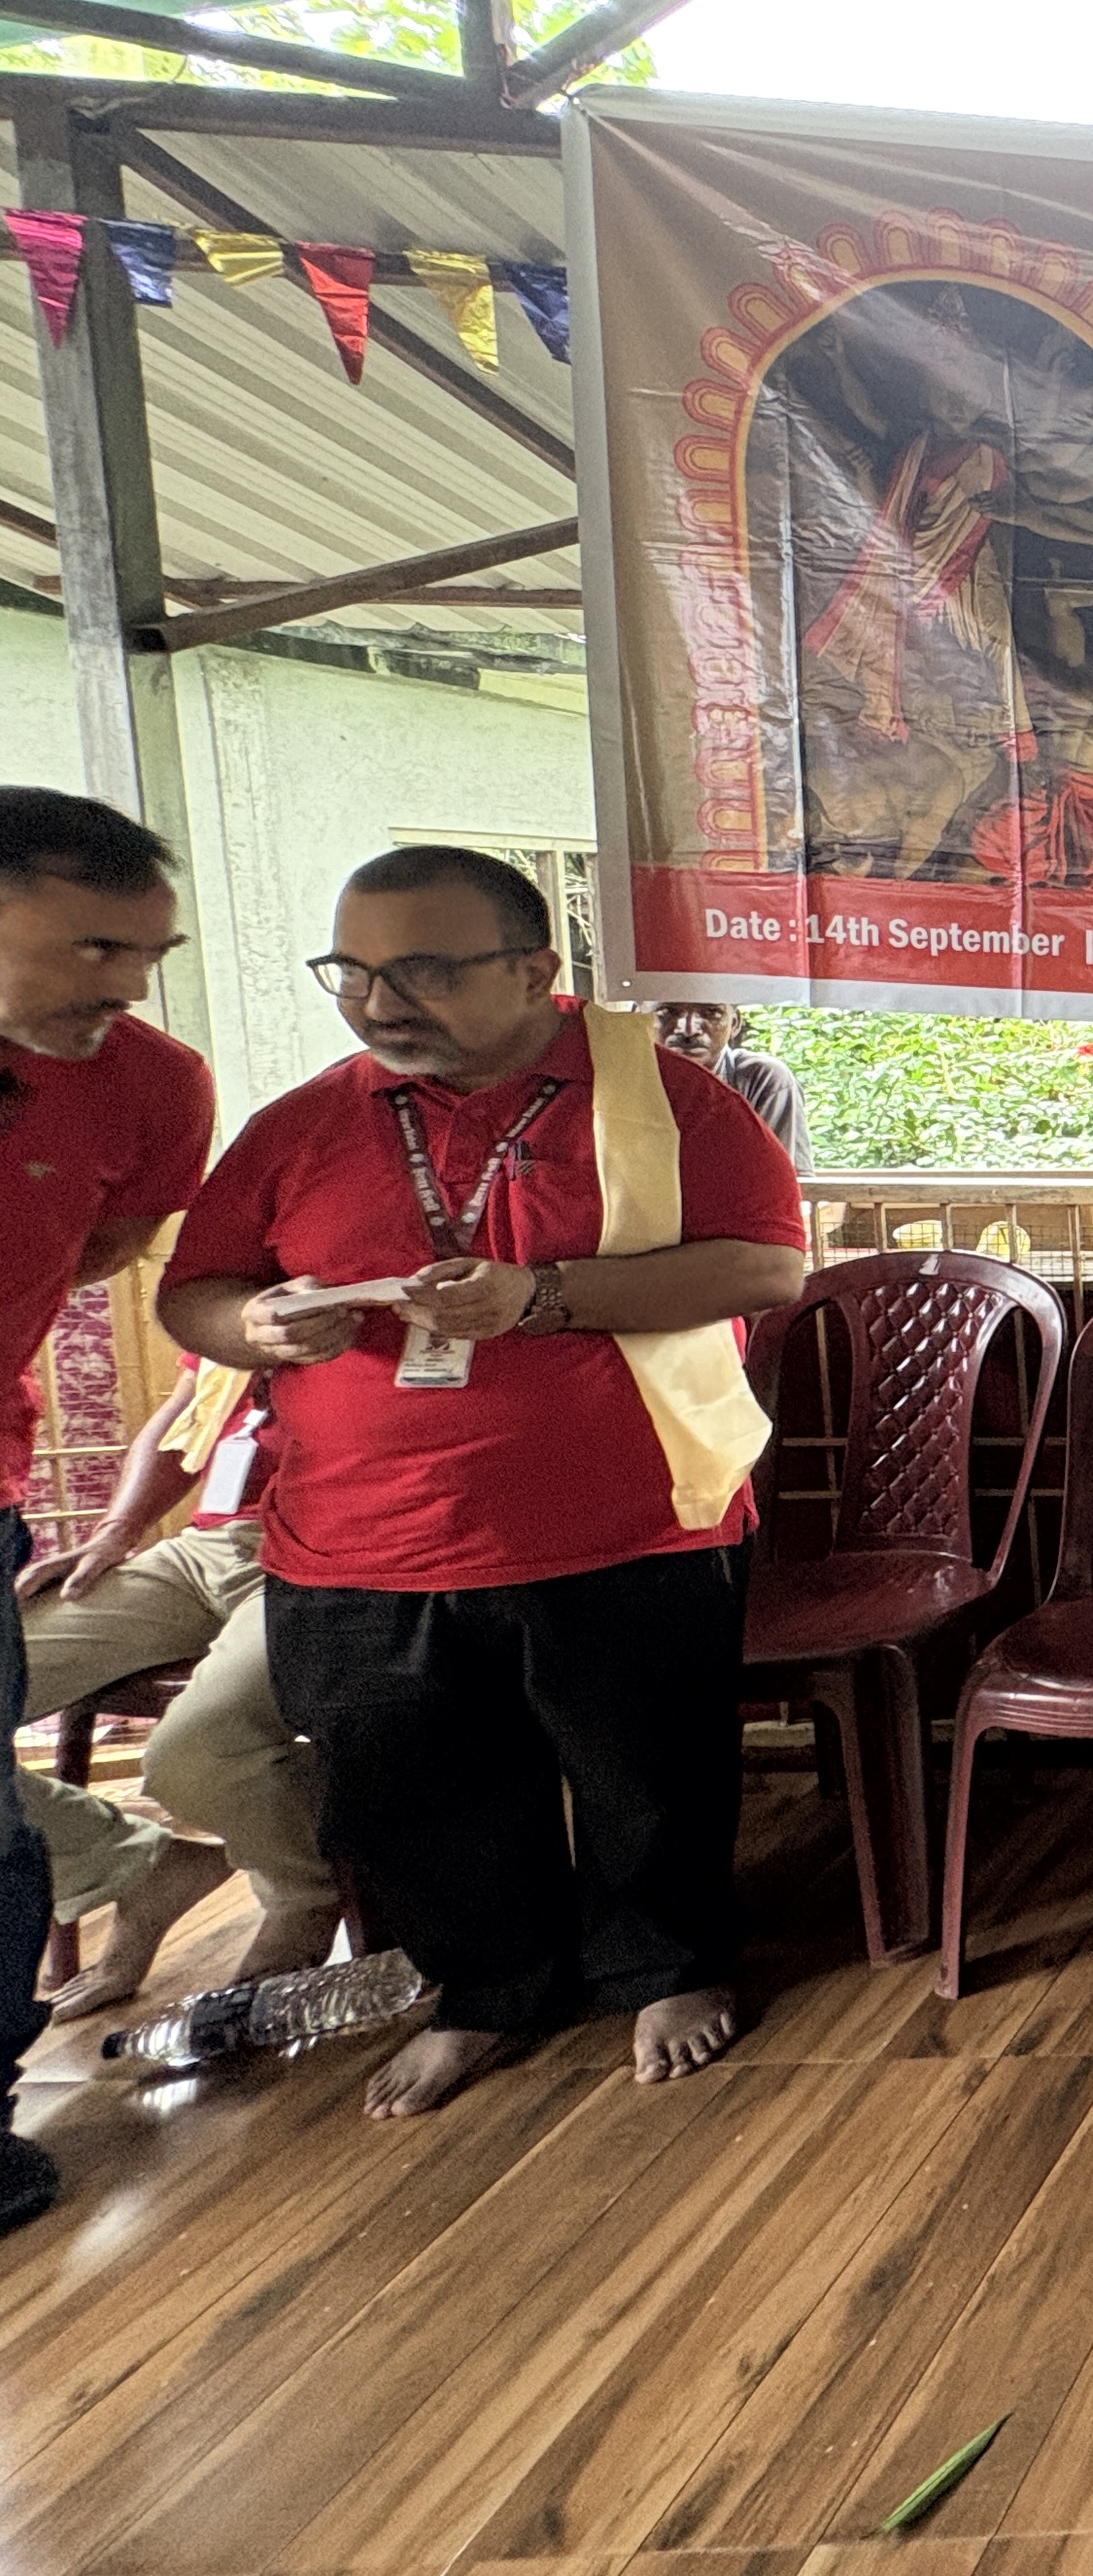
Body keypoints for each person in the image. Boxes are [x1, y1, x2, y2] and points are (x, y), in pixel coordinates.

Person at [155, 846, 802, 2121]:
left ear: (534, 969)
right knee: (412, 1791)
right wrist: (260, 1326)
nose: (380, 1003)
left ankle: (666, 1966)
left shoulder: (667, 1100)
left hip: (631, 1518)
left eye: (425, 972)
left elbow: (766, 1269)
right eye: (353, 972)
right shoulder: (303, 1122)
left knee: (646, 1774)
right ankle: (481, 1991)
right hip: (358, 1535)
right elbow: (197, 1293)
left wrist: (543, 1297)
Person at [0, 786, 213, 2230]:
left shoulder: (151, 1083)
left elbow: (106, 1251)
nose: (127, 985)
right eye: (93, 950)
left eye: (147, 953)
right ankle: (140, 1861)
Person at [17, 1361, 337, 2017]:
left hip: (329, 1556)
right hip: (201, 1549)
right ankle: (133, 1866)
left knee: (194, 1755)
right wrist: (115, 1531)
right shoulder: (227, 1306)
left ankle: (303, 1893)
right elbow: (185, 1412)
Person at [649, 1002, 809, 1163]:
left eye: (711, 1012)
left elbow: (785, 1174)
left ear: (734, 1023)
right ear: (638, 1018)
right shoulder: (634, 1079)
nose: (688, 1030)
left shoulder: (762, 1080)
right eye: (668, 1011)